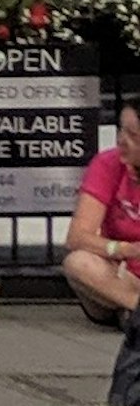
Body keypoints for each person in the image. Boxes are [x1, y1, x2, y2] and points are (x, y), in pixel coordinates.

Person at [63, 89, 140, 326]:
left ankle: (130, 313)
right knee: (78, 263)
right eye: (120, 129)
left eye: (133, 134)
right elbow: (76, 238)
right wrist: (123, 249)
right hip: (119, 274)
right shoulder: (107, 164)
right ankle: (133, 308)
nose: (121, 140)